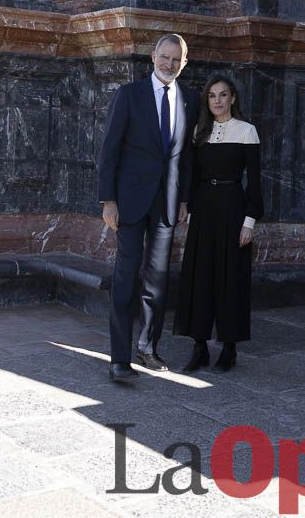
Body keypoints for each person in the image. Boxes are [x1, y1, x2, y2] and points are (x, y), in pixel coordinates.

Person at [98, 33, 198, 381]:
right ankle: (118, 358)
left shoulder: (190, 99)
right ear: (153, 57)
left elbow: (187, 156)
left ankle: (148, 348)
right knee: (126, 278)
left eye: (176, 60)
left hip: (167, 204)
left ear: (184, 64)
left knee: (156, 281)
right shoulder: (129, 95)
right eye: (164, 57)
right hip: (129, 202)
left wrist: (184, 198)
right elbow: (110, 149)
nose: (169, 64)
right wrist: (108, 200)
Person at [173, 75, 263, 373]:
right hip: (204, 210)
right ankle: (199, 348)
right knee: (200, 278)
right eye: (212, 96)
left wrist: (249, 223)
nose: (217, 101)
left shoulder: (247, 131)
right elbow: (191, 175)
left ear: (232, 98)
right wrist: (188, 207)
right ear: (207, 101)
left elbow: (256, 185)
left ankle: (229, 348)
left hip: (234, 209)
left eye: (223, 95)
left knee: (230, 278)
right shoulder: (200, 131)